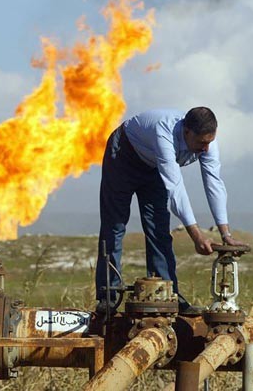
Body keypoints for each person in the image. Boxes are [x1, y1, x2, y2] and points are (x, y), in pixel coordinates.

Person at [95, 107, 245, 314]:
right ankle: (107, 297)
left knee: (159, 230)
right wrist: (197, 236)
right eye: (202, 143)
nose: (206, 148)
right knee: (115, 227)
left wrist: (225, 233)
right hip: (123, 156)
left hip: (153, 167)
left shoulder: (207, 144)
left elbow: (214, 183)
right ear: (187, 132)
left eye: (209, 142)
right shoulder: (163, 132)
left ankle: (167, 296)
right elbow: (176, 189)